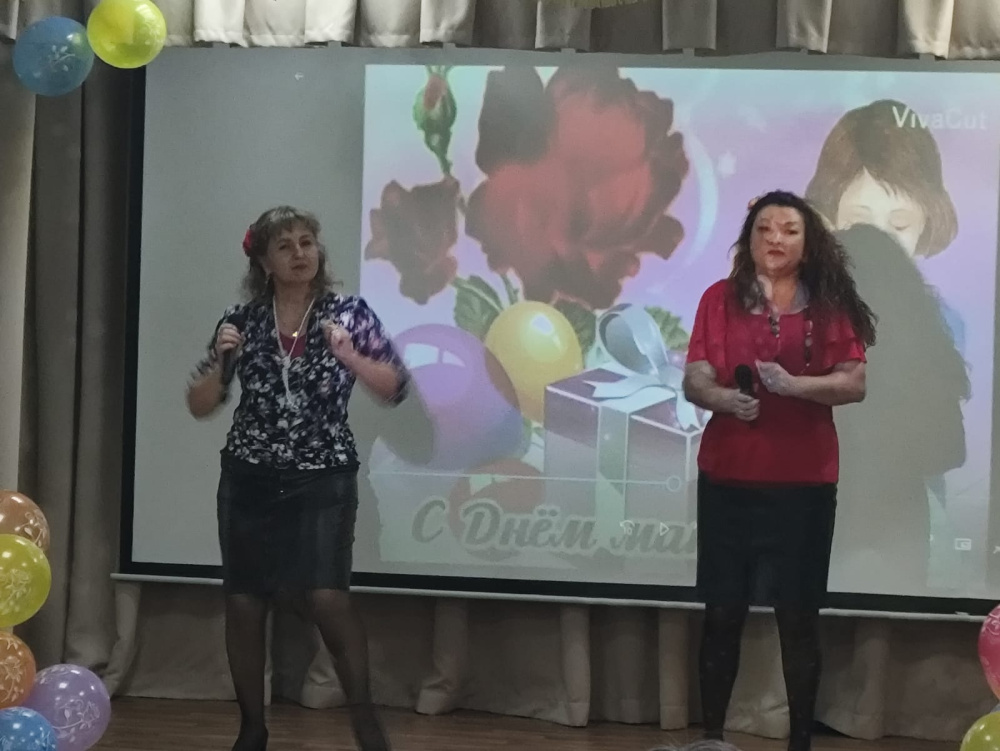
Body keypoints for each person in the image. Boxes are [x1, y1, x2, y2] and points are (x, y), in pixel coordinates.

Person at [186, 206, 409, 751]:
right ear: (264, 262)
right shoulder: (241, 321)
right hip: (249, 477)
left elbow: (394, 387)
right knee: (244, 602)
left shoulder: (348, 314)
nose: (299, 253)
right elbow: (200, 403)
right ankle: (252, 729)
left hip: (322, 477)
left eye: (307, 242)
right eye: (284, 246)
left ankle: (366, 723)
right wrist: (223, 364)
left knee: (327, 598)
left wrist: (350, 356)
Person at [682, 191, 876, 751]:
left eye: (790, 230)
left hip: (803, 485)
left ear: (808, 244)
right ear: (748, 240)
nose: (775, 239)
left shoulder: (829, 304)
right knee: (723, 613)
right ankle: (713, 739)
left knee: (798, 618)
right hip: (728, 480)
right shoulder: (718, 298)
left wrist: (795, 386)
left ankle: (800, 743)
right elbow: (695, 376)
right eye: (764, 228)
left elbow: (854, 383)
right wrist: (723, 399)